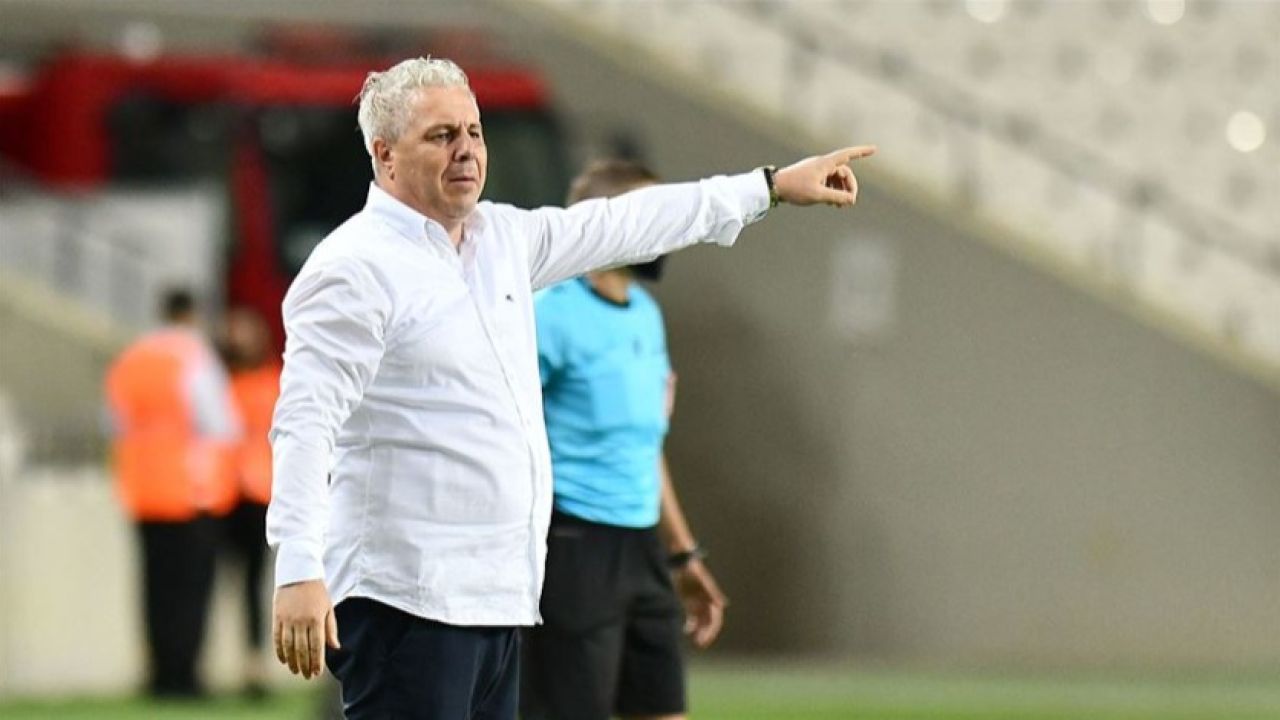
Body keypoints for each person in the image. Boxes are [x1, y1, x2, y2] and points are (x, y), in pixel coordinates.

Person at [267, 56, 874, 720]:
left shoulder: (501, 239)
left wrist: (771, 187)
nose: (467, 150)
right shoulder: (354, 268)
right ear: (384, 154)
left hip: (496, 598)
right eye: (441, 135)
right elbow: (305, 423)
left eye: (474, 132)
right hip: (405, 599)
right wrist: (298, 568)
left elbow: (629, 221)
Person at [522, 159, 727, 720]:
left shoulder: (644, 315)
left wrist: (682, 554)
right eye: (656, 215)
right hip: (574, 549)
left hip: (642, 551)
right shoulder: (549, 315)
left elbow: (646, 449)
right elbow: (502, 432)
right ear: (613, 222)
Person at [104, 288, 240, 699]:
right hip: (190, 491)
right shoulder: (195, 358)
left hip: (144, 491)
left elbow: (114, 423)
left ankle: (159, 672)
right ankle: (185, 675)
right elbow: (221, 424)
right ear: (192, 316)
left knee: (154, 586)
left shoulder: (132, 358)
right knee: (191, 589)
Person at [219, 306, 281, 698]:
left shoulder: (274, 382)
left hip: (259, 495)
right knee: (223, 584)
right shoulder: (219, 382)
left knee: (254, 583)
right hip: (222, 493)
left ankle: (254, 663)